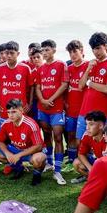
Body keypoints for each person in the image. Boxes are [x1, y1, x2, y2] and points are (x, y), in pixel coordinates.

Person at [36, 39, 69, 185]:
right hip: (43, 108)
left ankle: (58, 170)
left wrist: (51, 99)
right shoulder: (40, 68)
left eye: (47, 50)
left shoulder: (61, 64)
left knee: (57, 137)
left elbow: (64, 84)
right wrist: (43, 100)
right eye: (42, 50)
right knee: (47, 135)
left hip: (56, 108)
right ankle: (49, 162)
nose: (44, 53)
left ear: (54, 50)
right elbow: (37, 87)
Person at [0, 99, 47, 186]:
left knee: (38, 159)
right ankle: (19, 168)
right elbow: (0, 141)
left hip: (32, 151)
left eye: (14, 112)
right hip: (16, 149)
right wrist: (7, 153)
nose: (11, 115)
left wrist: (19, 155)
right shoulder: (6, 123)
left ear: (21, 110)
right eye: (9, 112)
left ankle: (37, 174)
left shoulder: (30, 124)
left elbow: (38, 146)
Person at [77, 32, 107, 140]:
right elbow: (80, 86)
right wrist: (87, 70)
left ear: (105, 46)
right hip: (85, 111)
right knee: (80, 142)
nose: (96, 52)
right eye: (93, 49)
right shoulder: (90, 64)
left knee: (103, 144)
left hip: (102, 113)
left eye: (98, 48)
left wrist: (90, 83)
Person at [0, 41, 33, 132]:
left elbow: (31, 87)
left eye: (12, 53)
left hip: (21, 109)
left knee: (21, 137)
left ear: (18, 54)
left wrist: (29, 103)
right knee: (2, 138)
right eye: (7, 53)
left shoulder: (25, 68)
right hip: (4, 110)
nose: (9, 56)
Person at [64, 40, 88, 172]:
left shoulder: (88, 66)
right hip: (71, 109)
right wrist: (65, 103)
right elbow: (66, 87)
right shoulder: (69, 68)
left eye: (75, 51)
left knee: (83, 138)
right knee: (71, 135)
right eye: (70, 52)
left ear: (82, 51)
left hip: (84, 109)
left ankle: (84, 161)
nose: (72, 55)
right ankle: (71, 161)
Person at [71, 111, 106, 184]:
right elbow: (81, 154)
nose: (87, 128)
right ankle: (90, 178)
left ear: (101, 126)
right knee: (76, 163)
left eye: (91, 124)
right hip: (98, 162)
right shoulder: (87, 135)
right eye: (86, 124)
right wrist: (90, 168)